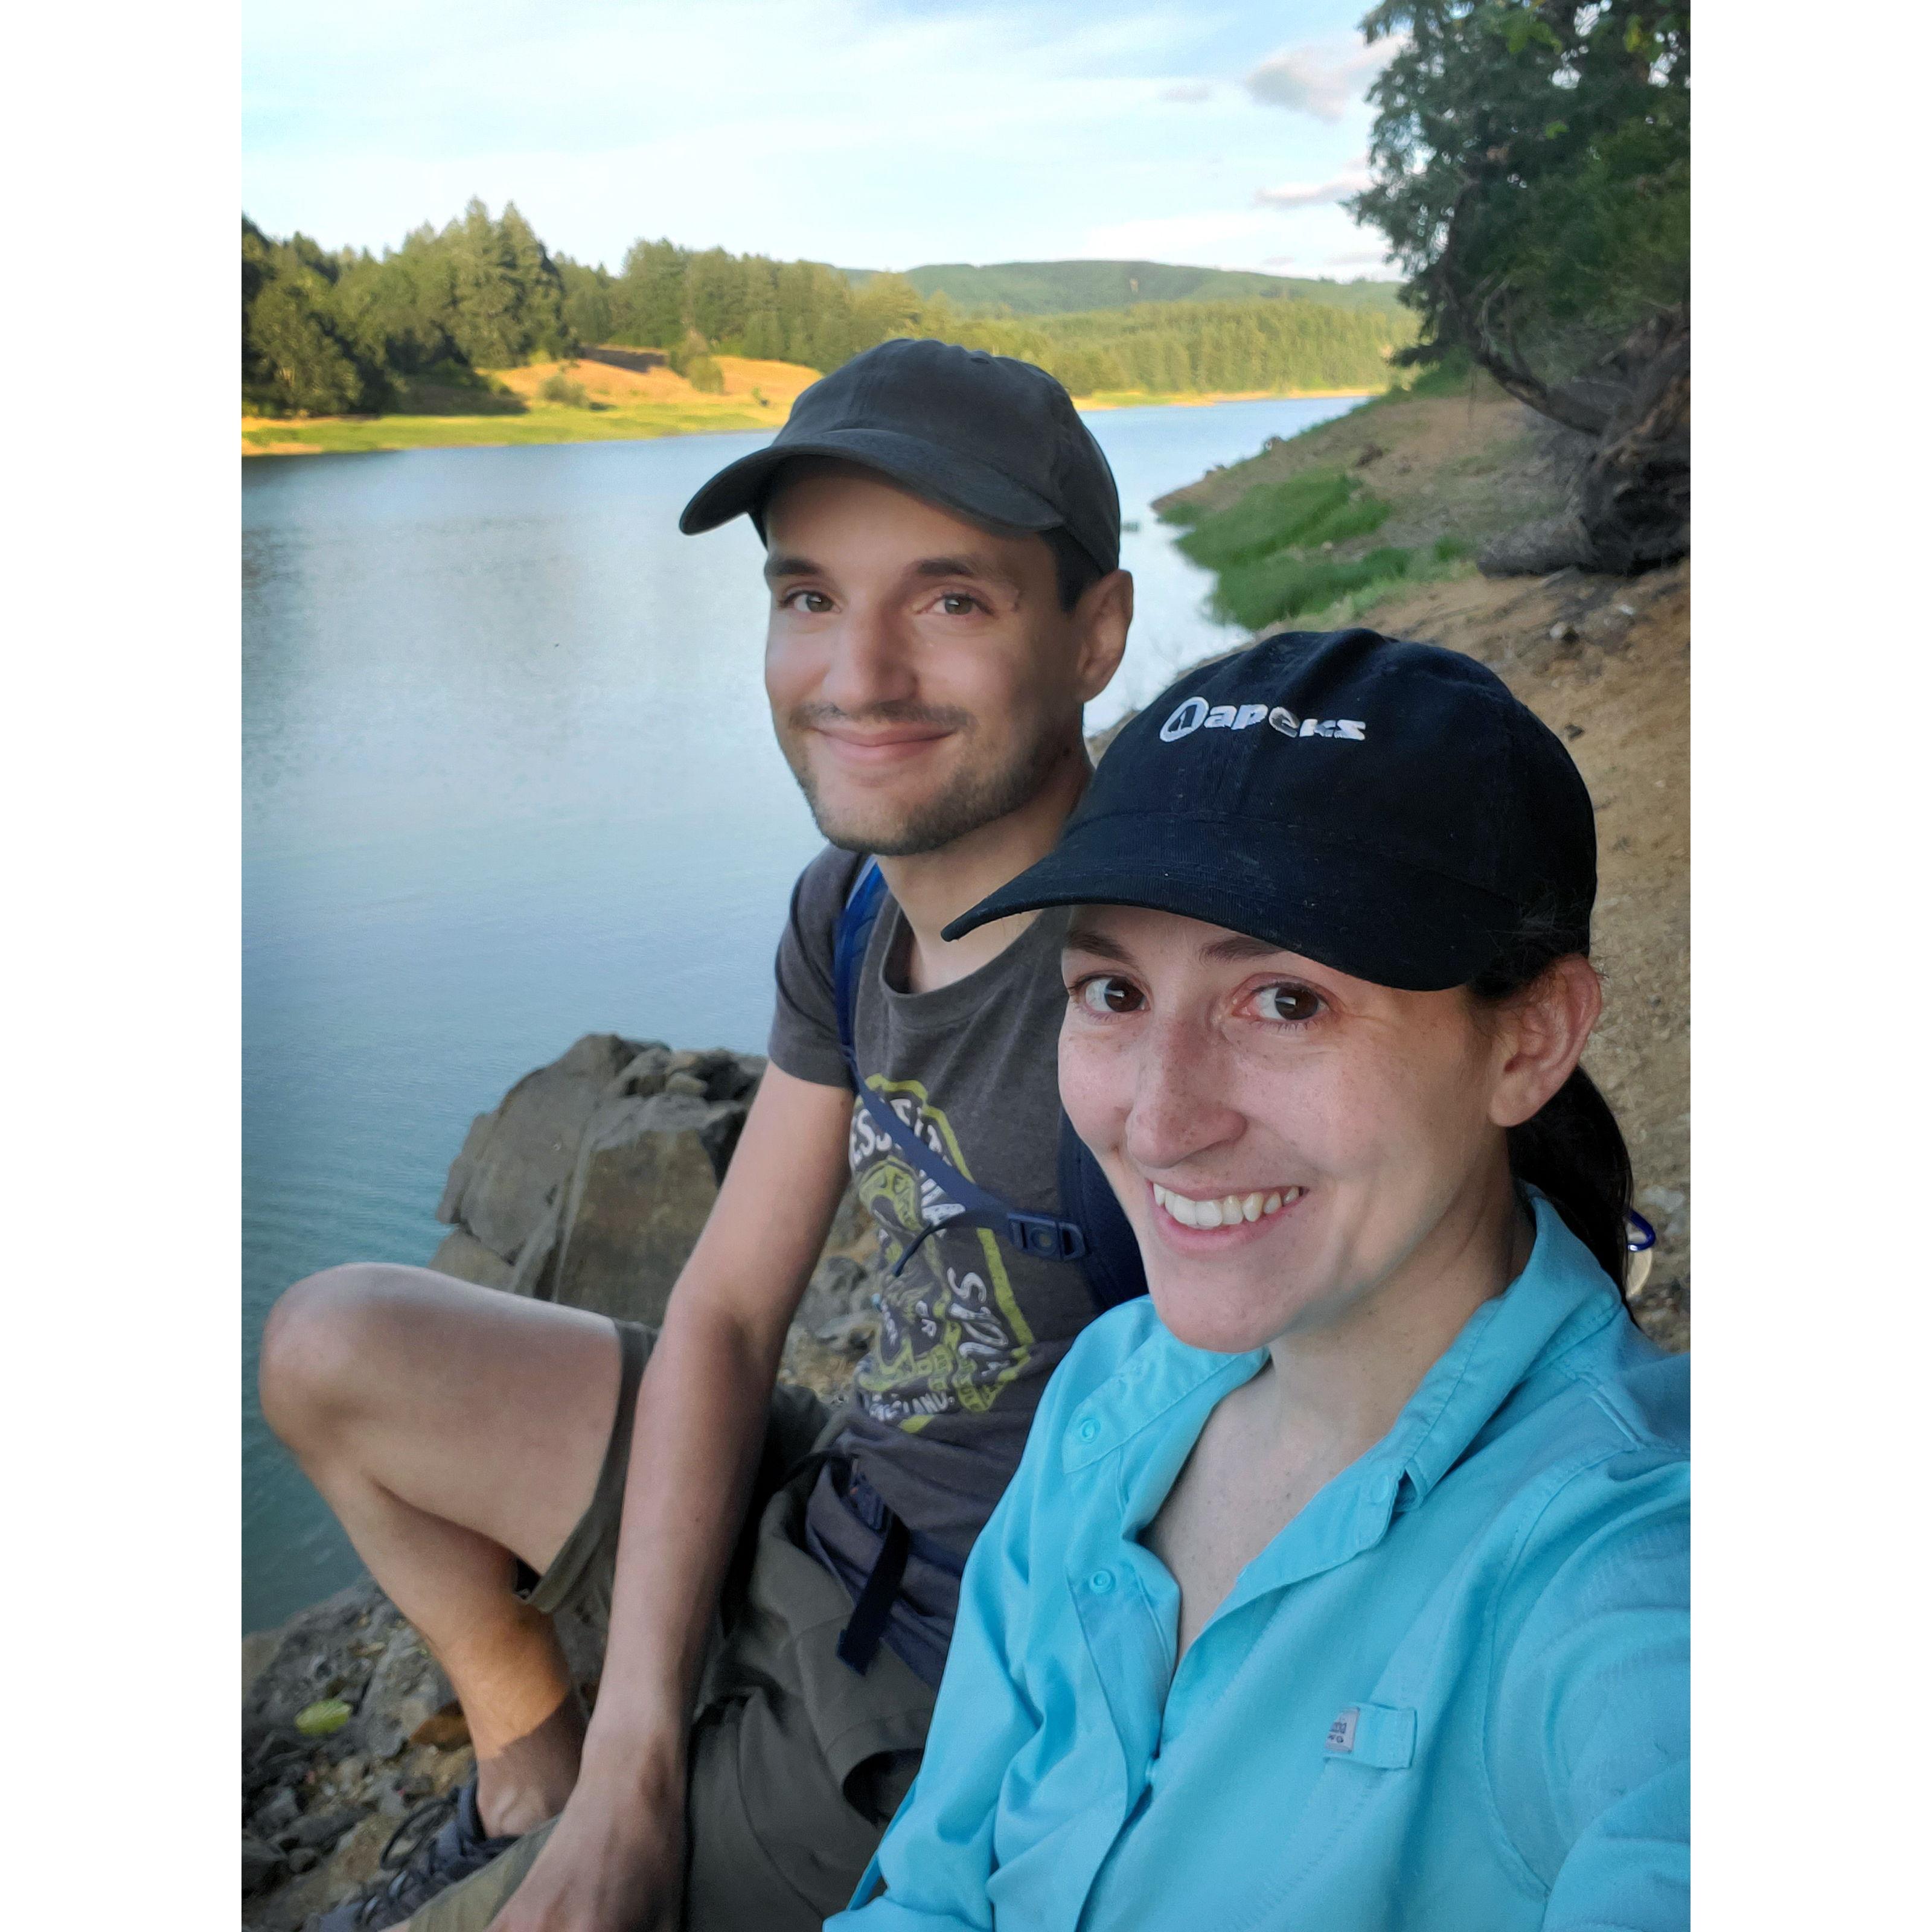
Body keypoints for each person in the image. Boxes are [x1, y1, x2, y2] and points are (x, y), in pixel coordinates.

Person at [257, 337, 1138, 1931]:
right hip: (827, 1502)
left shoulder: (1156, 983)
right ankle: (535, 1755)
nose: (855, 674)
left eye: (950, 599)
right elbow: (729, 1315)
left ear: (1097, 634)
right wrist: (629, 1767)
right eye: (808, 596)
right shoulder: (854, 904)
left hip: (937, 1687)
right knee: (330, 1343)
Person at [831, 628, 1690, 1931]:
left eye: (1284, 1002)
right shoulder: (1115, 1392)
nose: (1160, 1121)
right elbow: (933, 1892)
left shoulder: (1625, 1570)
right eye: (1112, 989)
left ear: (1531, 1038)